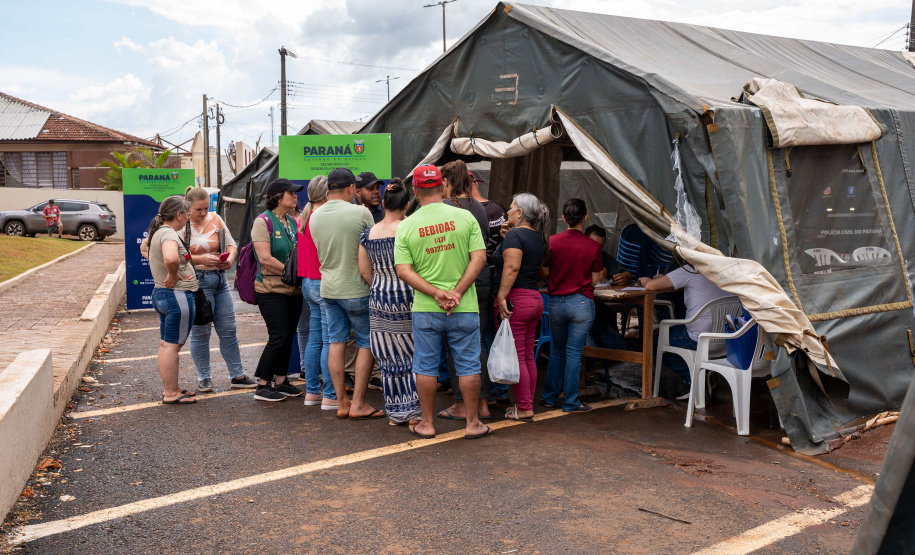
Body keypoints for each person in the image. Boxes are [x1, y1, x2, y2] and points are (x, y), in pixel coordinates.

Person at [394, 164, 492, 440]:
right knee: (469, 364)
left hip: (426, 308)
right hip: (464, 306)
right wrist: (458, 292)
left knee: (425, 365)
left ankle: (426, 423)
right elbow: (479, 258)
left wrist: (436, 294)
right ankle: (473, 423)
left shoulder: (407, 225)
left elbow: (403, 271)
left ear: (415, 190)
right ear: (443, 186)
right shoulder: (465, 218)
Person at [309, 168, 382, 420]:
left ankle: (341, 402)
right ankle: (359, 403)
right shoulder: (360, 212)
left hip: (328, 288)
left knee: (336, 342)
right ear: (352, 189)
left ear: (329, 189)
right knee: (366, 342)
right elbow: (376, 248)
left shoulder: (315, 216)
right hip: (357, 288)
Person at [358, 179, 421, 425]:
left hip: (379, 297)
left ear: (383, 203)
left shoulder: (367, 234)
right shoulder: (409, 229)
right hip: (407, 296)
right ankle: (413, 411)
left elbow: (365, 271)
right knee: (410, 354)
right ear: (406, 205)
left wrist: (381, 283)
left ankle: (395, 413)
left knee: (387, 357)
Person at [184, 187, 257, 392]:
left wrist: (230, 259)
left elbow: (232, 245)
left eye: (206, 207)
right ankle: (204, 378)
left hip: (219, 279)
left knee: (229, 330)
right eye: (198, 209)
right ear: (187, 207)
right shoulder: (181, 225)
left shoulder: (215, 218)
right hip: (197, 282)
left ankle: (237, 376)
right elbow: (175, 254)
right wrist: (200, 259)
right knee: (201, 331)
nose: (203, 213)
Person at [437, 160, 492, 421]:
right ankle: (482, 403)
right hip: (481, 280)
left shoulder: (447, 207)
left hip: (457, 283)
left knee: (455, 343)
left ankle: (461, 403)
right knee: (477, 342)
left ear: (446, 182)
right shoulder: (479, 208)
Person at [541, 199, 604, 413]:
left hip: (556, 303)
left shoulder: (552, 242)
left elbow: (546, 272)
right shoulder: (593, 246)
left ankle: (549, 398)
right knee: (574, 353)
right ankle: (570, 402)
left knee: (557, 350)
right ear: (586, 218)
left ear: (563, 218)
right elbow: (595, 280)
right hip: (581, 303)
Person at [493, 193, 548, 421]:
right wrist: (506, 238)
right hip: (534, 300)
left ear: (521, 213)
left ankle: (524, 408)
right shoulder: (538, 237)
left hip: (517, 301)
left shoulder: (516, 235)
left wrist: (501, 296)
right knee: (526, 357)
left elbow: (512, 268)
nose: (507, 211)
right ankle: (527, 404)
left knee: (518, 358)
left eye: (511, 206)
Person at [250, 178, 305, 402]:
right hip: (271, 289)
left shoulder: (291, 222)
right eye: (290, 193)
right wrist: (290, 272)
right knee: (279, 335)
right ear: (277, 197)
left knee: (288, 336)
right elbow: (265, 258)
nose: (295, 196)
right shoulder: (262, 222)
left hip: (293, 290)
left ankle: (281, 381)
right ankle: (263, 385)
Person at [640, 264, 729, 399]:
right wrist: (666, 278)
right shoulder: (726, 270)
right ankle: (702, 373)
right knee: (674, 330)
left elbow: (650, 286)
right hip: (726, 339)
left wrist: (645, 280)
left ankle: (694, 378)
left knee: (653, 342)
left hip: (697, 340)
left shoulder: (690, 270)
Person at [147, 195, 198, 405]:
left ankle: (173, 388)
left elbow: (145, 250)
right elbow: (171, 258)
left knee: (166, 344)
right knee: (171, 347)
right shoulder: (168, 233)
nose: (189, 217)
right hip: (176, 295)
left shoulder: (158, 232)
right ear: (179, 214)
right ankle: (170, 393)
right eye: (187, 213)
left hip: (164, 295)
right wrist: (172, 272)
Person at [298, 176, 338, 411]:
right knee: (329, 341)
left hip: (308, 283)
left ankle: (312, 392)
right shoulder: (323, 218)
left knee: (315, 340)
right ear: (327, 194)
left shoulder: (306, 217)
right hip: (323, 283)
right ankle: (330, 395)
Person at [584, 224, 632, 349]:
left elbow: (626, 273)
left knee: (620, 348)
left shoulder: (603, 257)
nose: (597, 249)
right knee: (588, 355)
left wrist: (624, 277)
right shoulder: (577, 255)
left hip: (598, 314)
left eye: (600, 246)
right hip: (581, 314)